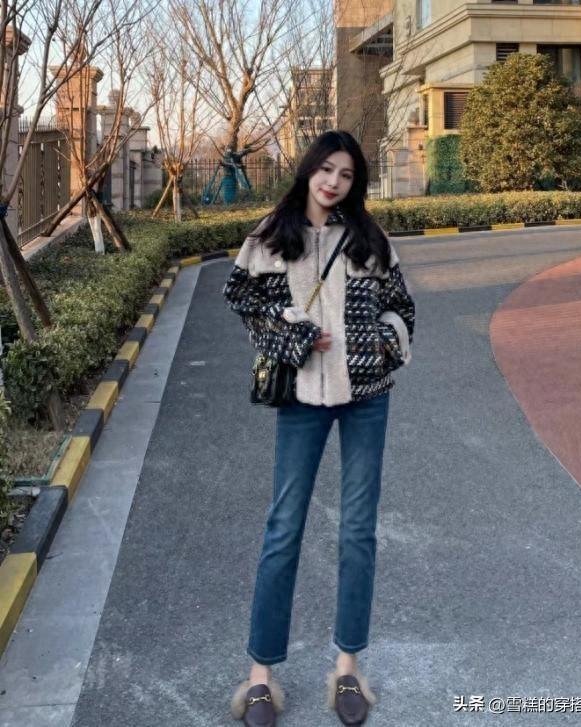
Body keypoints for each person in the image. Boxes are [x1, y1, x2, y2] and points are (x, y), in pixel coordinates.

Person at [223, 130, 415, 726]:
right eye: (326, 169)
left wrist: (377, 344)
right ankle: (260, 678)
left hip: (367, 398)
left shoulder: (370, 239)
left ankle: (348, 668)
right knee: (284, 527)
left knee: (358, 531)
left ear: (356, 183)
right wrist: (296, 336)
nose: (334, 182)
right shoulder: (270, 237)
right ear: (309, 169)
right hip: (302, 397)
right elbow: (241, 299)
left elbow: (402, 309)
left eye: (346, 174)